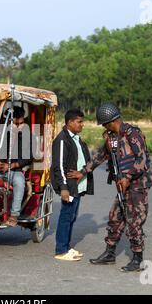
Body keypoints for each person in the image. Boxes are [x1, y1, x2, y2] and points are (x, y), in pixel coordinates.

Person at [69, 103, 152, 272]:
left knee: (134, 221)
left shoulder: (133, 134)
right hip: (122, 186)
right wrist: (83, 172)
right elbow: (101, 155)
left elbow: (142, 159)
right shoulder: (111, 137)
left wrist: (128, 177)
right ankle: (110, 253)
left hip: (137, 185)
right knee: (115, 217)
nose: (104, 128)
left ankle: (137, 258)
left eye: (104, 124)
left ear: (110, 121)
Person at [50, 108, 94, 261]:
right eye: (79, 122)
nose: (82, 125)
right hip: (68, 186)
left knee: (72, 216)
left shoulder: (76, 139)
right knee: (66, 216)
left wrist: (83, 172)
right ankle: (61, 250)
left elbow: (86, 160)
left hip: (78, 186)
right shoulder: (62, 140)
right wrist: (63, 188)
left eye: (82, 122)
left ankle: (67, 247)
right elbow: (59, 166)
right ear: (69, 122)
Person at [0, 106, 32, 227]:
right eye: (12, 123)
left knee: (19, 183)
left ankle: (14, 214)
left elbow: (28, 159)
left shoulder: (27, 136)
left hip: (15, 170)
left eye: (19, 123)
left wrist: (10, 166)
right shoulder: (1, 135)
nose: (17, 126)